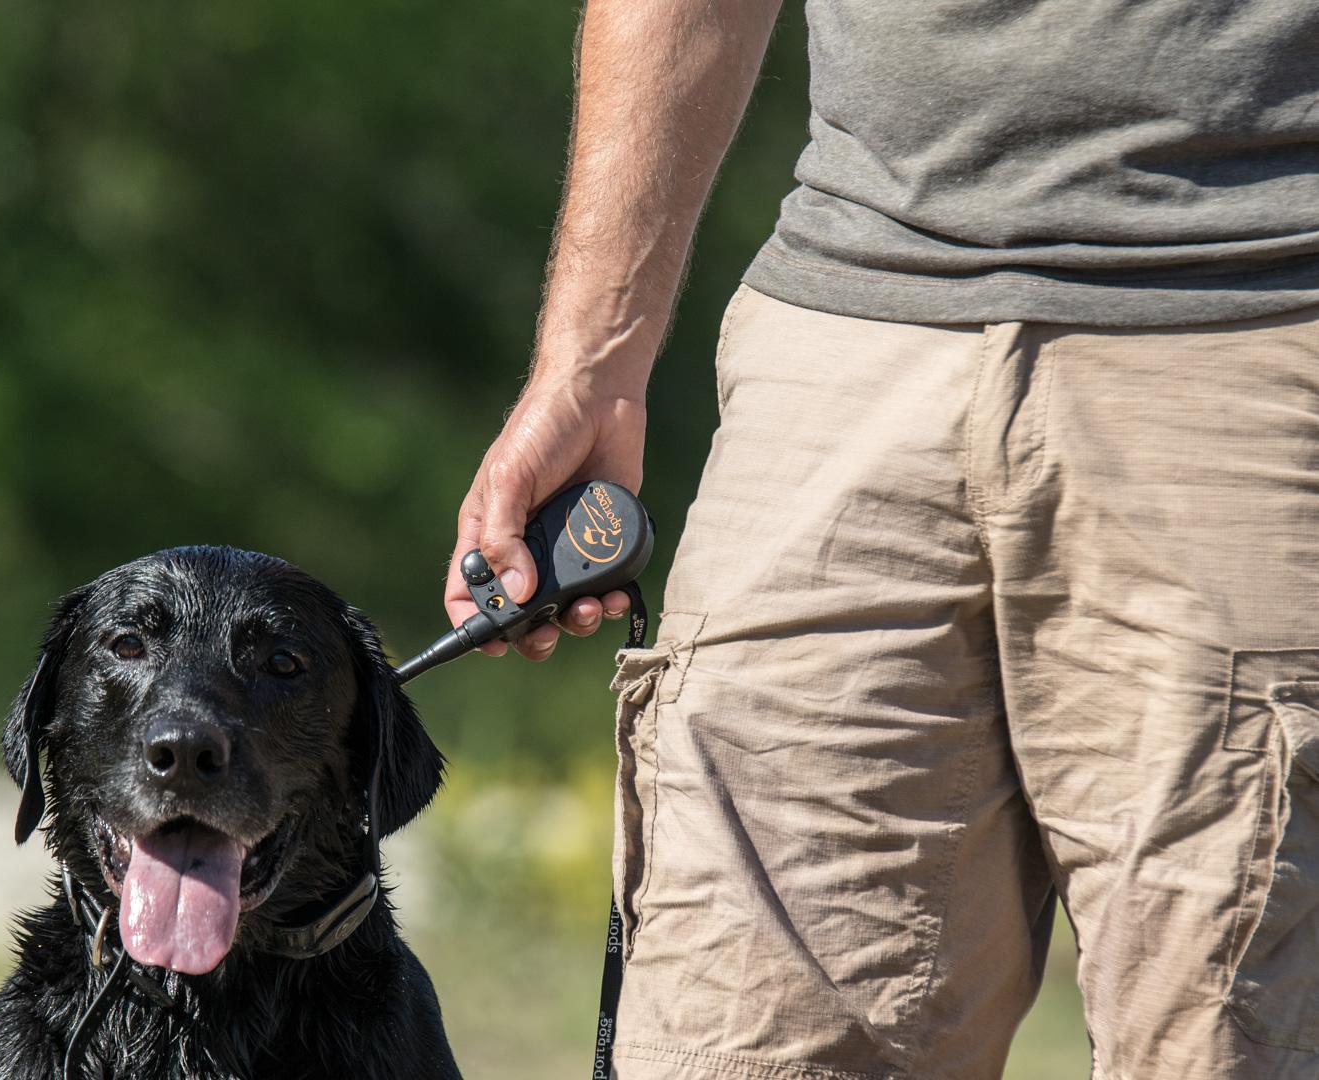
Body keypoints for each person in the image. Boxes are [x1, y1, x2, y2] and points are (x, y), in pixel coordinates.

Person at [443, 1, 1319, 1078]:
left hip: (1268, 316)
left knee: (1233, 1043)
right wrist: (591, 364)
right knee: (734, 1044)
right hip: (849, 313)